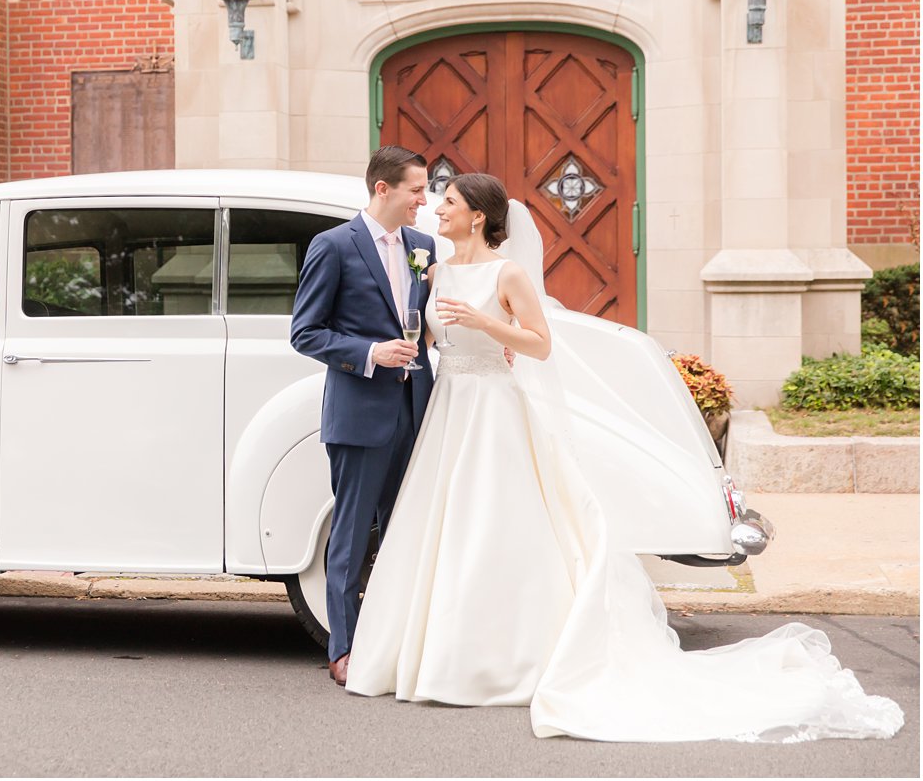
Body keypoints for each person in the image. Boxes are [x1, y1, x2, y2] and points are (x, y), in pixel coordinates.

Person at [344, 173, 904, 742]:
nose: (439, 209)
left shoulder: (507, 273)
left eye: (451, 203)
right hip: (450, 407)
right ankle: (432, 651)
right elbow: (437, 336)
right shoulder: (435, 271)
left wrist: (487, 322)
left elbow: (540, 342)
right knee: (445, 524)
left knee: (498, 521)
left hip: (493, 408)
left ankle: (504, 659)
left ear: (479, 217)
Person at [290, 146, 438, 687]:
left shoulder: (423, 246)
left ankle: (396, 642)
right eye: (417, 190)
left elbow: (427, 321)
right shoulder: (334, 247)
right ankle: (344, 648)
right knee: (352, 534)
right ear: (383, 189)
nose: (425, 200)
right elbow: (305, 332)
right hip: (359, 410)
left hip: (418, 408)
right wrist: (371, 354)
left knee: (405, 529)